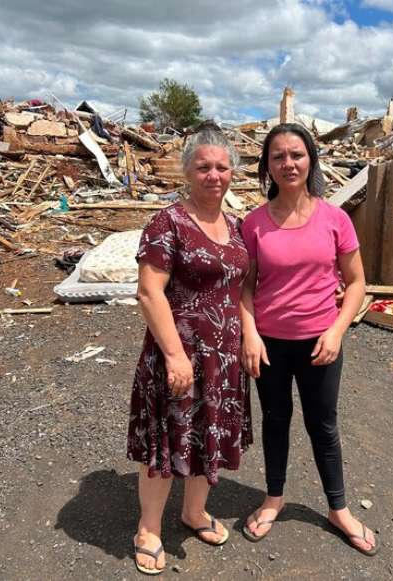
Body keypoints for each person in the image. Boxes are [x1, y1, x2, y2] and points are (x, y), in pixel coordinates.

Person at [240, 123, 377, 556]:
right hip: (270, 344)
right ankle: (273, 498)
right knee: (275, 419)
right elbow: (245, 286)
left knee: (323, 424)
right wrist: (249, 334)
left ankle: (338, 509)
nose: (288, 163)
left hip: (321, 342)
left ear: (311, 160)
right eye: (278, 156)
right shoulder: (254, 224)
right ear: (267, 166)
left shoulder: (335, 219)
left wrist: (336, 330)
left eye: (296, 154)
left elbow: (357, 284)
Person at [127, 128, 252, 575]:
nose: (213, 175)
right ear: (187, 171)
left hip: (223, 359)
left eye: (221, 167)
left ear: (232, 172)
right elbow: (149, 292)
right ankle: (148, 529)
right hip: (178, 354)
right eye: (203, 167)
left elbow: (240, 289)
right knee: (166, 441)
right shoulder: (168, 223)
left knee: (207, 434)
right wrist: (176, 355)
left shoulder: (236, 227)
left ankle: (193, 512)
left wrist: (249, 336)